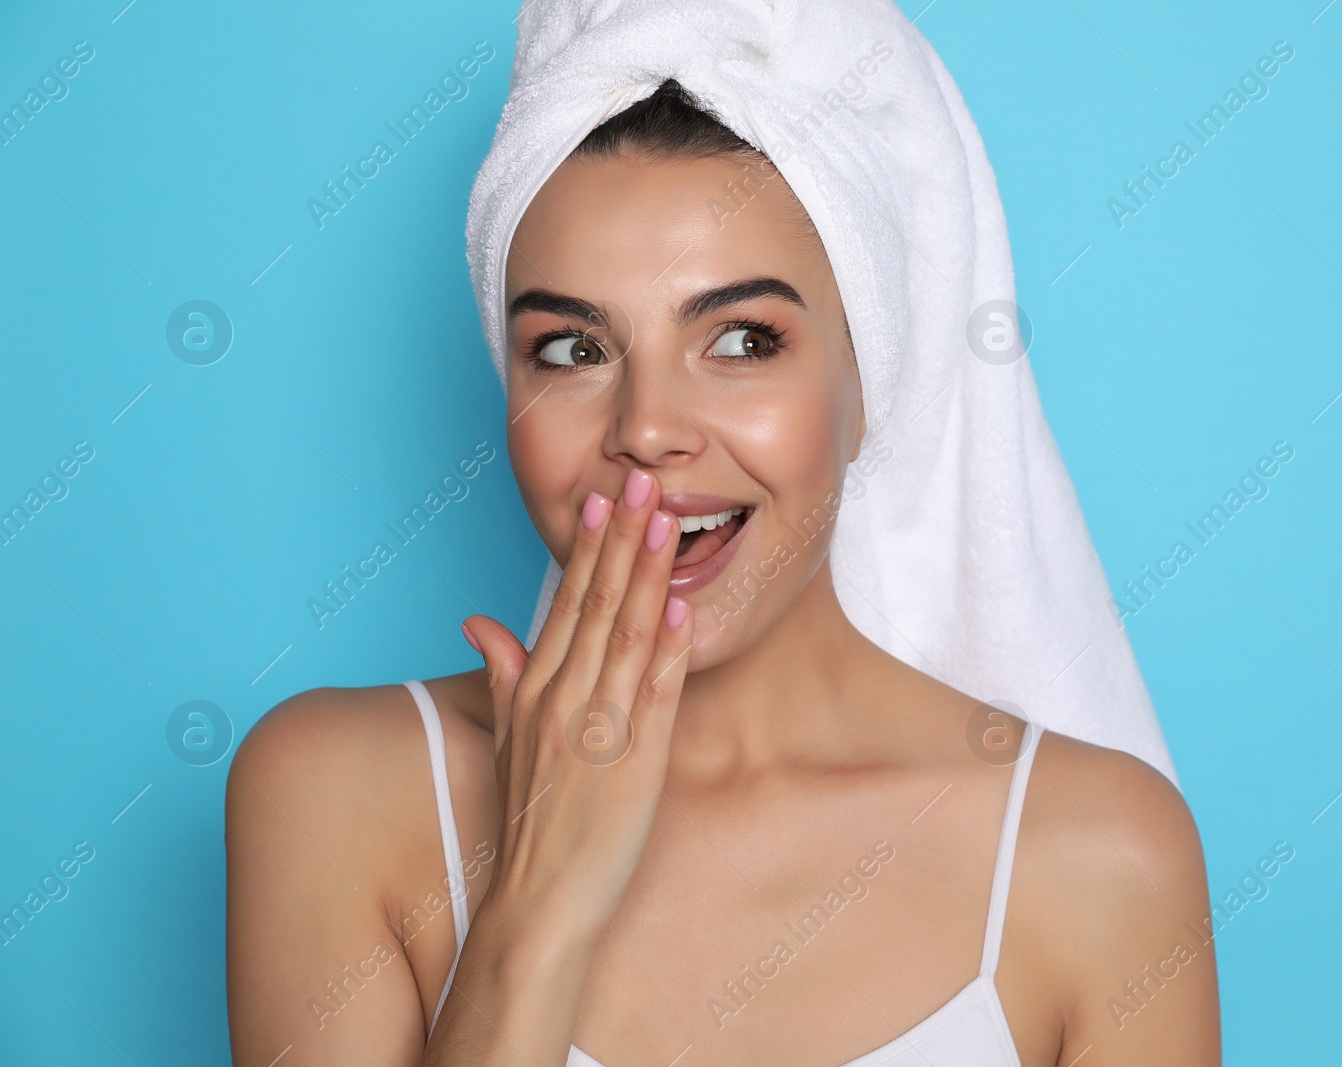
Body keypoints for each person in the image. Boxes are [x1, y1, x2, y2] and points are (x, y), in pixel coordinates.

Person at [226, 10, 1219, 1067]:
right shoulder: (335, 792)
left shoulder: (1101, 853)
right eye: (572, 347)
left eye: (743, 339)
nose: (647, 428)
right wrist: (538, 901)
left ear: (868, 380)